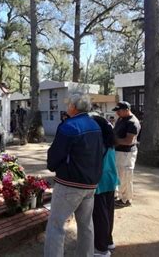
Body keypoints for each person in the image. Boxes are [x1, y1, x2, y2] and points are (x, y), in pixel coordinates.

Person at [44, 93, 104, 257]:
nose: (67, 106)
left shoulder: (69, 126)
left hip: (70, 183)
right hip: (90, 183)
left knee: (56, 225)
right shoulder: (95, 125)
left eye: (69, 104)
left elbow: (57, 153)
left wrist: (52, 165)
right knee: (86, 225)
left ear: (74, 107)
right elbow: (101, 152)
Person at [91, 115, 120, 256]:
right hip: (111, 180)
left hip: (100, 182)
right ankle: (108, 240)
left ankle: (101, 249)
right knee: (108, 213)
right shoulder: (110, 142)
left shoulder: (97, 143)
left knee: (100, 215)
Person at [112, 101, 141, 208]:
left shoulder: (133, 122)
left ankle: (126, 199)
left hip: (126, 153)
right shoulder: (121, 119)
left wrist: (113, 141)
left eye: (119, 111)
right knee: (118, 174)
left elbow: (129, 141)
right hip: (118, 152)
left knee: (125, 176)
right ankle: (118, 194)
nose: (117, 113)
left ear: (126, 110)